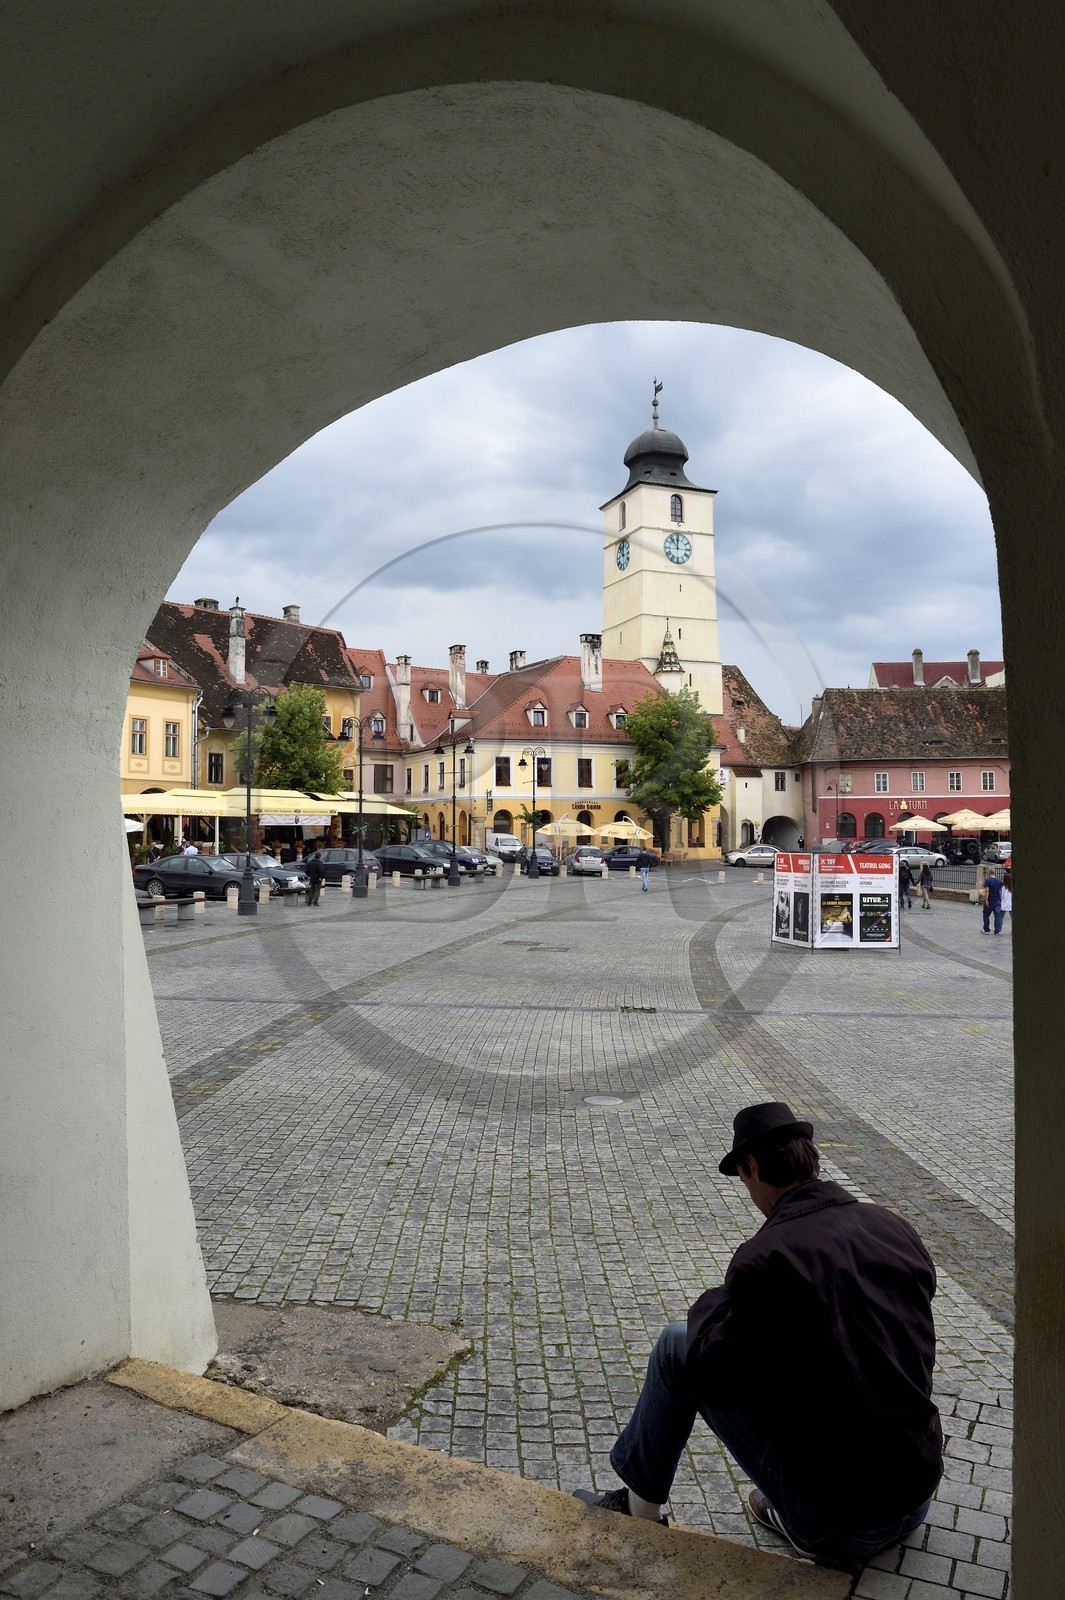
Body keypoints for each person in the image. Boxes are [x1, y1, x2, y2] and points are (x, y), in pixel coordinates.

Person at [576, 1102, 942, 1568]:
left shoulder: (765, 1257)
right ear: (810, 1158)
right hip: (915, 1493)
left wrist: (721, 1299)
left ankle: (638, 1509)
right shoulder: (893, 1226)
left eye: (745, 1179)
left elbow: (717, 1368)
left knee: (676, 1344)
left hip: (843, 1524)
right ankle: (791, 1504)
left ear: (751, 1167)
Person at [982, 869, 1004, 934]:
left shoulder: (987, 881)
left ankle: (986, 929)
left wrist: (986, 900)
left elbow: (987, 891)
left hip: (990, 901)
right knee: (997, 916)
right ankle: (997, 931)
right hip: (997, 901)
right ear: (995, 873)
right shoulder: (999, 881)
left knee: (986, 915)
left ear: (989, 872)